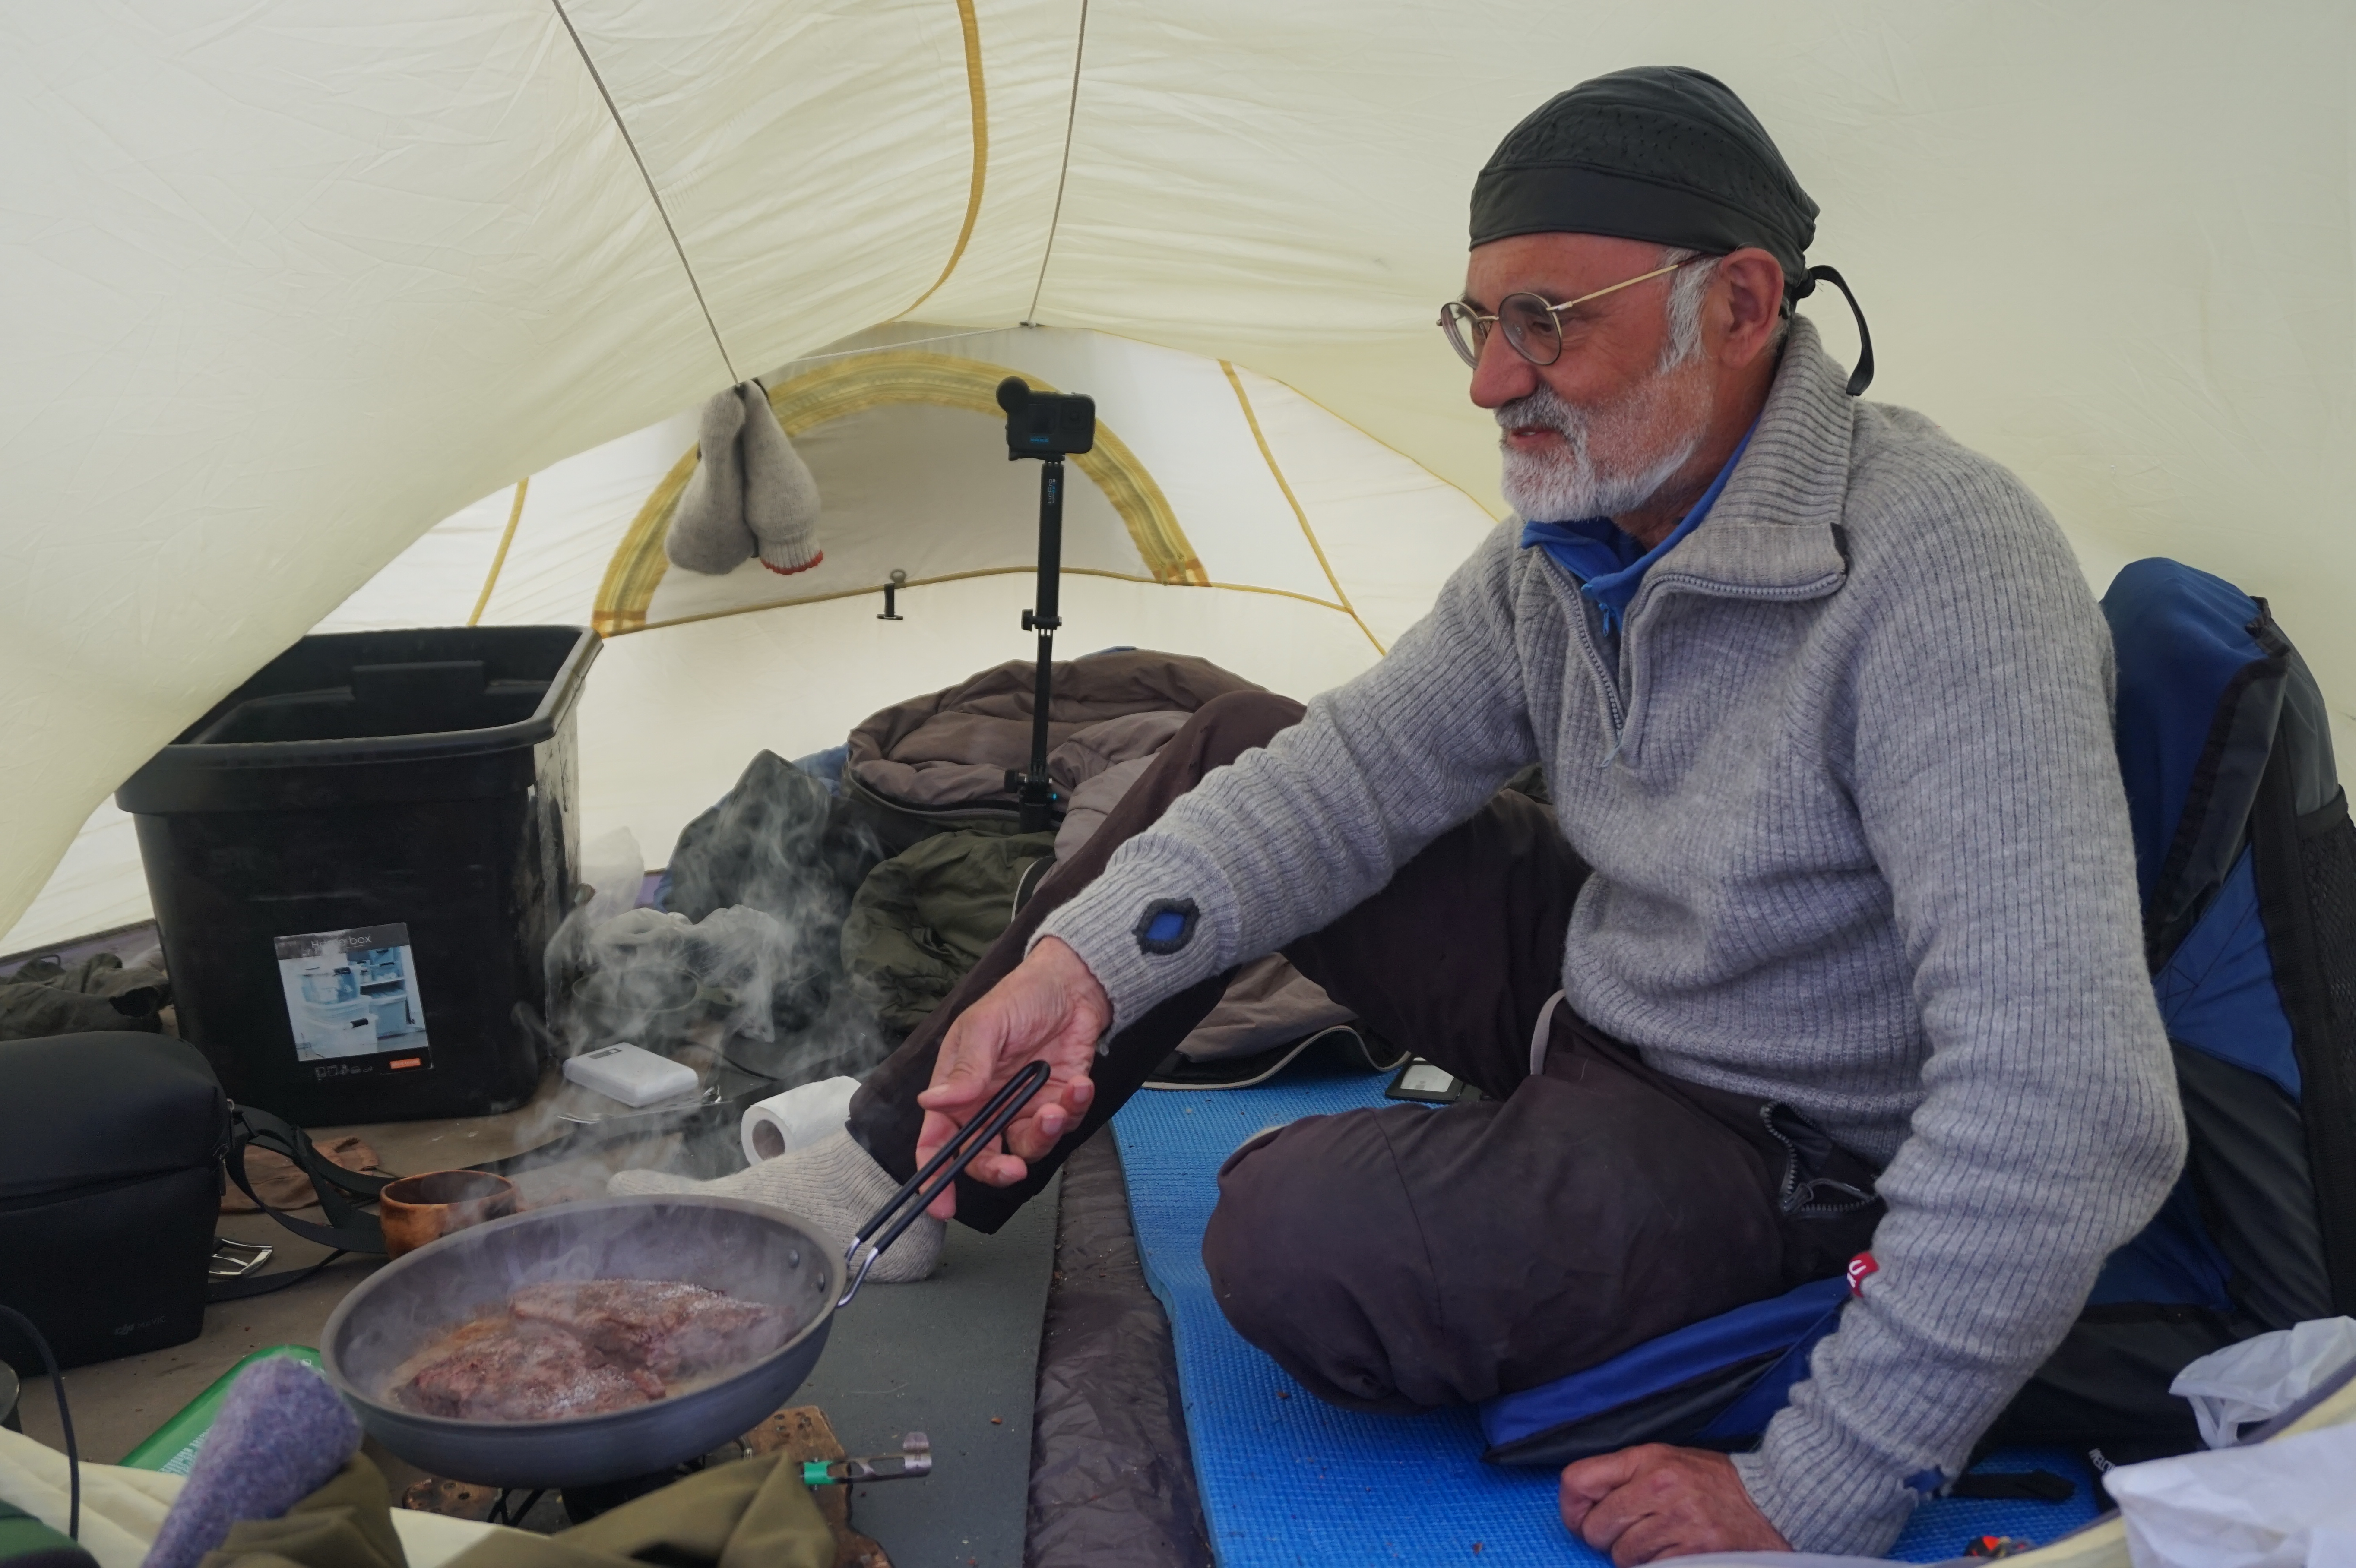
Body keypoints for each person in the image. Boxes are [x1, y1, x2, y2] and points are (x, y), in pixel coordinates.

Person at [618, 66, 2185, 1563]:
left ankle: (1587, 1221)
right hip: (1610, 989)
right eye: (1478, 322)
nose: (1493, 380)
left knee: (1292, 1237)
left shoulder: (1946, 569)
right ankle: (883, 1180)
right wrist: (1073, 969)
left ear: (1741, 306)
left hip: (1782, 1139)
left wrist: (1824, 1482)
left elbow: (2070, 1103)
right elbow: (1349, 777)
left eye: (1547, 322)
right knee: (1242, 749)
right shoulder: (1568, 543)